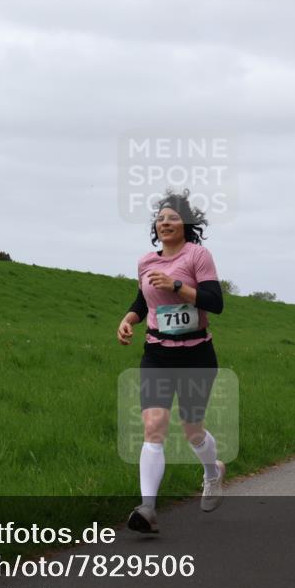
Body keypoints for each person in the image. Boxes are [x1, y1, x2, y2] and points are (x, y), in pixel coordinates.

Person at [116, 189, 225, 533]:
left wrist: (176, 285)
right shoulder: (146, 262)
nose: (165, 222)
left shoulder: (198, 255)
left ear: (186, 224)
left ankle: (213, 472)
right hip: (157, 353)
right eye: (160, 218)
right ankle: (148, 509)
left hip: (196, 354)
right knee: (154, 426)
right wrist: (128, 319)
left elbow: (215, 302)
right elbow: (143, 299)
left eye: (173, 218)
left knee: (192, 429)